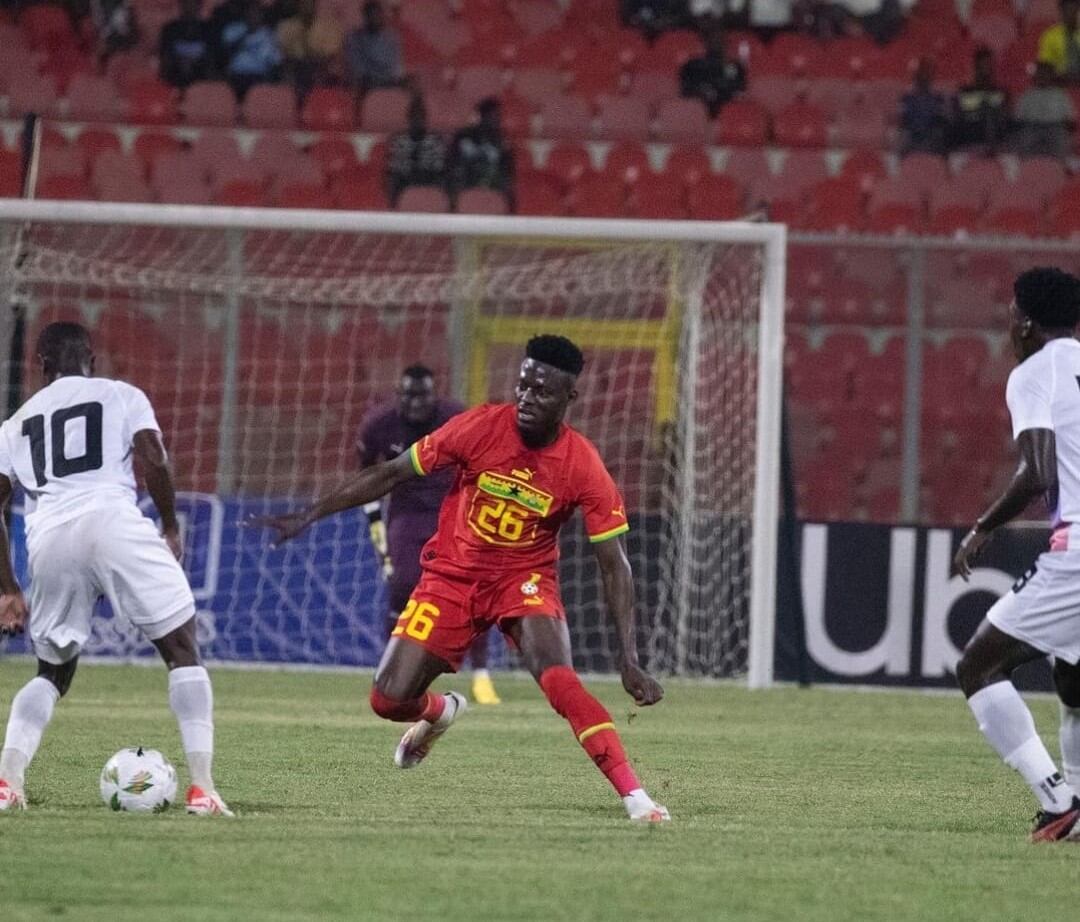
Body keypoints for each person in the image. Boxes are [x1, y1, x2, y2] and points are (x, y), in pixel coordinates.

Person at [255, 335, 670, 823]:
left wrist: (629, 659)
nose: (527, 398)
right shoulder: (479, 426)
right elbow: (392, 473)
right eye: (523, 385)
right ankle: (439, 711)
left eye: (542, 391)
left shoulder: (582, 464)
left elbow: (614, 564)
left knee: (560, 681)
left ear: (568, 397)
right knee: (387, 699)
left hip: (523, 581)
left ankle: (636, 798)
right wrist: (311, 513)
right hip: (452, 576)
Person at [0, 323, 230, 816]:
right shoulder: (121, 394)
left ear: (41, 366)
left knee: (52, 672)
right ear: (92, 360)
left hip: (50, 540)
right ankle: (202, 789)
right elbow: (155, 458)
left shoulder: (14, 425)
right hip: (112, 521)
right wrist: (170, 526)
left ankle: (8, 782)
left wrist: (8, 588)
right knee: (182, 649)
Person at [952, 267, 1080, 842]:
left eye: (1011, 313)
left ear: (1025, 323)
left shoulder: (1033, 373)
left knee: (978, 667)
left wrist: (982, 527)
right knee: (1074, 682)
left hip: (1076, 554)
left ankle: (1058, 801)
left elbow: (1037, 472)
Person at [357, 365, 500, 705]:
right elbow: (366, 480)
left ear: (435, 395)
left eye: (422, 395)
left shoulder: (457, 418)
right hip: (406, 517)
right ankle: (392, 672)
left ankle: (481, 674)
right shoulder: (378, 426)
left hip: (454, 514)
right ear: (398, 395)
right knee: (402, 586)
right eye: (408, 395)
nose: (415, 402)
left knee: (472, 592)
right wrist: (377, 534)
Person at [448, 97, 514, 207]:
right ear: (482, 116)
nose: (495, 120)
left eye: (497, 116)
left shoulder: (502, 141)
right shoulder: (463, 136)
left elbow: (507, 172)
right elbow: (452, 163)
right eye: (491, 116)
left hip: (492, 187)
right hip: (466, 183)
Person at [385, 95, 447, 206]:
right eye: (414, 118)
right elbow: (394, 165)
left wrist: (425, 171)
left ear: (425, 119)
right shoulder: (399, 140)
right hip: (405, 178)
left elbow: (439, 165)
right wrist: (409, 170)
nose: (417, 122)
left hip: (429, 177)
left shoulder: (435, 140)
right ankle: (395, 208)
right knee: (393, 180)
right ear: (409, 119)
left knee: (443, 179)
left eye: (420, 118)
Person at [276, 0, 344, 96]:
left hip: (320, 71)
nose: (307, 6)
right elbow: (283, 55)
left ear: (315, 4)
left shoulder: (328, 27)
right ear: (298, 5)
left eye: (309, 3)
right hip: (295, 71)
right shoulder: (285, 28)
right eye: (303, 3)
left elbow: (331, 55)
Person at [222, 0, 283, 101]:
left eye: (256, 13)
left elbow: (276, 62)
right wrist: (246, 34)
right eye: (250, 12)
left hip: (258, 77)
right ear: (245, 14)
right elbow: (225, 56)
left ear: (262, 15)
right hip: (236, 76)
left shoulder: (269, 35)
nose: (253, 16)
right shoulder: (233, 30)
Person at [678, 28, 747, 118]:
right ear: (705, 42)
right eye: (714, 39)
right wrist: (704, 91)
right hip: (696, 113)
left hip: (728, 114)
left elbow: (738, 91)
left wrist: (718, 92)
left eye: (721, 39)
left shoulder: (734, 67)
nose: (717, 43)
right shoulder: (692, 66)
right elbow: (686, 91)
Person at [1014, 61, 1076, 158]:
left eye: (1046, 74)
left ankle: (1062, 163)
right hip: (1032, 126)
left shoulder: (1060, 95)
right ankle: (1025, 163)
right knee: (1024, 139)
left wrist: (1064, 127)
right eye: (1040, 74)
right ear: (1035, 77)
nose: (1043, 77)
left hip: (1054, 127)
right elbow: (1018, 118)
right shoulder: (1027, 95)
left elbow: (1070, 119)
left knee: (1060, 139)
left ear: (1051, 76)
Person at [953, 46, 1010, 151]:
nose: (986, 68)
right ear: (976, 66)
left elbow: (1004, 119)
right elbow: (960, 118)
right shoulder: (965, 92)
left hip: (996, 141)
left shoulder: (1001, 92)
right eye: (983, 64)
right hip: (969, 138)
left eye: (989, 64)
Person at [343, 0, 403, 91]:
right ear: (365, 16)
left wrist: (391, 78)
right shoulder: (354, 37)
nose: (375, 18)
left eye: (378, 14)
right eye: (371, 14)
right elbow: (356, 66)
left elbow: (395, 65)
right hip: (366, 83)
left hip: (389, 81)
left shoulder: (392, 37)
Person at [898, 57, 950, 155]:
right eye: (921, 73)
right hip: (911, 138)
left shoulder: (938, 97)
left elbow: (942, 119)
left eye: (927, 73)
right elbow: (903, 119)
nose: (924, 76)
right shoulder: (907, 97)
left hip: (933, 138)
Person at [159, 0, 214, 89]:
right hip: (174, 78)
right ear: (180, 5)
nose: (189, 7)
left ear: (199, 6)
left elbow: (212, 58)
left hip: (202, 79)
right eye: (186, 3)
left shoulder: (209, 29)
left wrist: (195, 62)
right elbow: (165, 56)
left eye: (193, 4)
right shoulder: (169, 30)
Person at [1037, 0, 1080, 82]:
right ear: (1061, 12)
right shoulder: (1050, 36)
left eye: (1075, 10)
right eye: (1067, 10)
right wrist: (1061, 76)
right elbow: (1044, 68)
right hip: (1060, 83)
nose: (1071, 14)